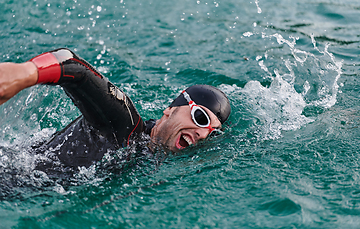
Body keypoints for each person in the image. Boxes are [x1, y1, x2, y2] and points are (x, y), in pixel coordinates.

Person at [0, 48, 231, 174]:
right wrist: (24, 74)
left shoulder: (155, 162)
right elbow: (73, 66)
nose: (202, 134)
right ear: (170, 110)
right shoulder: (124, 125)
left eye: (210, 132)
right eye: (200, 118)